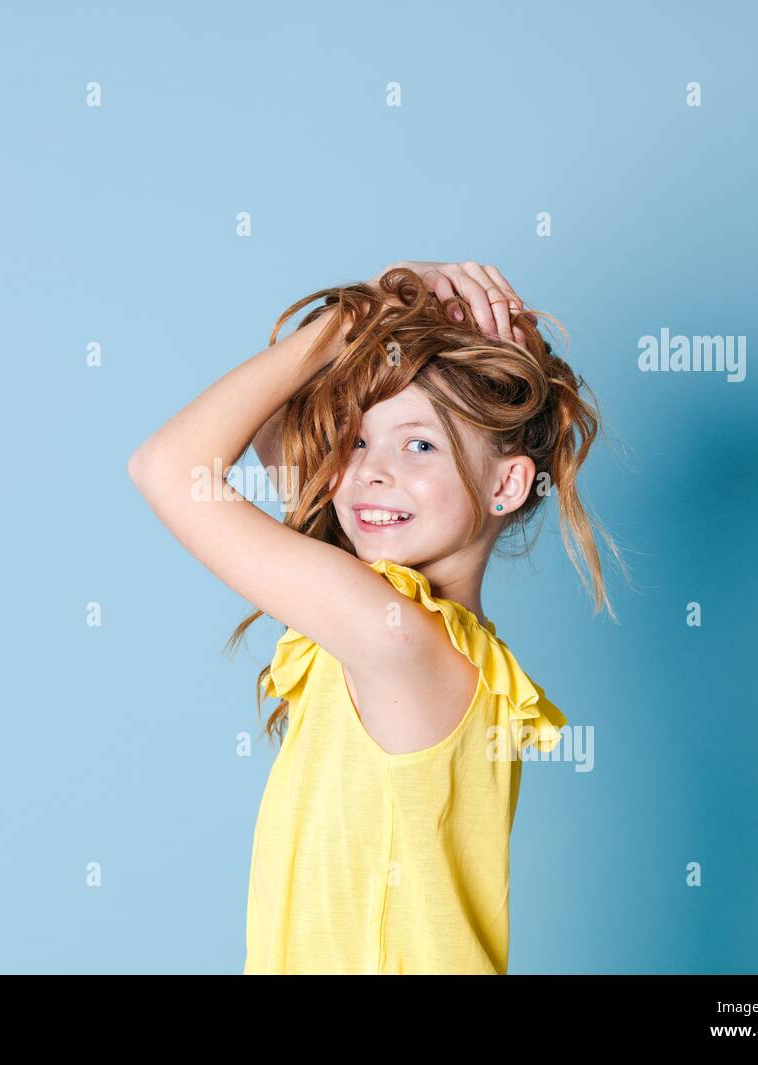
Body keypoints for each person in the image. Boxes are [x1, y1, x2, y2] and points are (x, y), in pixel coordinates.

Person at [128, 260, 625, 974]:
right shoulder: (405, 630)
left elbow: (168, 466)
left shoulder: (397, 638)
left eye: (418, 444)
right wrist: (389, 307)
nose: (371, 471)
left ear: (507, 481)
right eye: (357, 440)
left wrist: (357, 318)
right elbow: (276, 420)